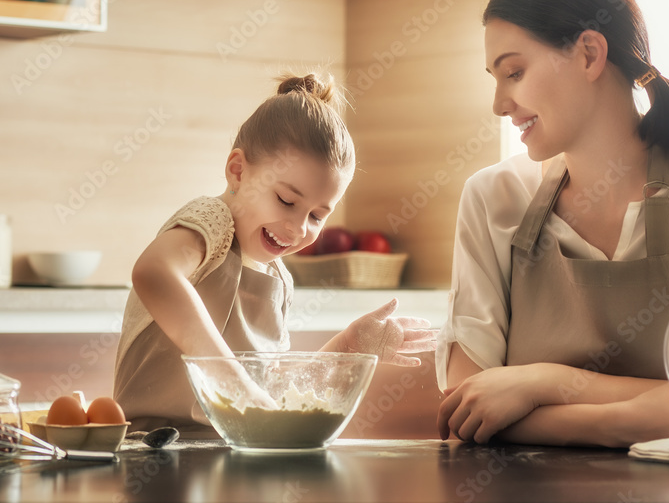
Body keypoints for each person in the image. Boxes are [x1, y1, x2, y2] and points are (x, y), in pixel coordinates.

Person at [436, 0, 669, 447]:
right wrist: (631, 420)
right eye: (495, 78)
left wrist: (539, 382)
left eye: (515, 72)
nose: (499, 104)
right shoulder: (492, 198)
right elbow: (468, 406)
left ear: (589, 54)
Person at [114, 72, 437, 433]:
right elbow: (153, 272)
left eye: (316, 216)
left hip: (228, 455)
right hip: (152, 448)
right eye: (285, 200)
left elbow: (270, 389)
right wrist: (225, 372)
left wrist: (345, 347)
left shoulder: (279, 278)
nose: (299, 228)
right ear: (238, 172)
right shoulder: (212, 223)